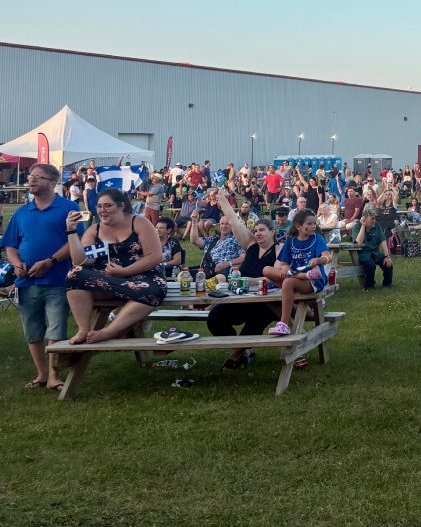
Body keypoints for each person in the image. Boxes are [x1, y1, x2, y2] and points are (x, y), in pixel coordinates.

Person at [2, 163, 76, 391]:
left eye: (38, 177)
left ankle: (54, 375)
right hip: (27, 281)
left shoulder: (68, 208)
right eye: (30, 177)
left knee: (55, 328)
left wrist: (50, 261)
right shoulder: (22, 212)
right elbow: (11, 245)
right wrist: (16, 264)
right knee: (32, 330)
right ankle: (41, 373)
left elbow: (74, 241)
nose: (31, 181)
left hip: (57, 279)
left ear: (52, 182)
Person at [64, 188, 166, 344]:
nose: (102, 210)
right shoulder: (94, 230)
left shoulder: (139, 223)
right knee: (74, 274)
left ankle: (110, 330)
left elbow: (155, 256)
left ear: (121, 206)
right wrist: (71, 231)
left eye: (107, 206)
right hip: (108, 280)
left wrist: (124, 271)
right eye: (99, 206)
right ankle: (83, 329)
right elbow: (82, 261)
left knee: (155, 289)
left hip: (142, 277)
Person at [206, 191, 280, 369]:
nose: (258, 233)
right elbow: (233, 220)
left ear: (273, 231)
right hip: (240, 297)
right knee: (214, 319)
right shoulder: (251, 245)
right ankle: (245, 351)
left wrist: (251, 281)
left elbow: (277, 276)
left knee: (256, 320)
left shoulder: (279, 250)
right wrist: (222, 199)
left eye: (262, 230)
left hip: (266, 301)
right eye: (256, 230)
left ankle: (234, 356)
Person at [262, 209, 331, 336]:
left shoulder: (317, 238)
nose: (313, 226)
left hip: (313, 280)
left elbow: (328, 256)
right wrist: (285, 268)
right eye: (309, 224)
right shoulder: (291, 240)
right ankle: (300, 278)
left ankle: (283, 324)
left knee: (288, 281)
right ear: (298, 226)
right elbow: (284, 263)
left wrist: (320, 259)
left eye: (314, 223)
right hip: (297, 276)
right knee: (266, 270)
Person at [188, 208, 245, 281]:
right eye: (222, 224)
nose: (224, 226)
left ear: (232, 226)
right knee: (183, 276)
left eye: (227, 224)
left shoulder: (237, 240)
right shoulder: (212, 239)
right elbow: (194, 240)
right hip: (206, 270)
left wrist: (228, 263)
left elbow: (243, 257)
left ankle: (204, 285)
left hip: (222, 271)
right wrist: (194, 222)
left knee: (220, 278)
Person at [353, 210, 393, 290]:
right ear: (364, 219)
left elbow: (382, 241)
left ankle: (387, 284)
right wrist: (363, 226)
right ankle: (369, 286)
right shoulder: (357, 227)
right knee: (371, 266)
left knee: (388, 264)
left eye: (375, 219)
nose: (374, 221)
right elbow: (359, 243)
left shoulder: (377, 226)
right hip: (363, 254)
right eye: (372, 219)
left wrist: (387, 256)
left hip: (375, 252)